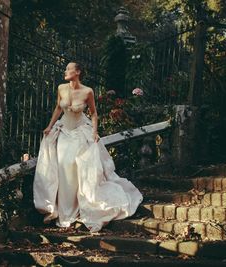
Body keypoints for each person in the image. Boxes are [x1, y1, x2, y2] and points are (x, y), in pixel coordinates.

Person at [33, 61, 143, 232]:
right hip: (64, 132)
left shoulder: (87, 91)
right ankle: (65, 213)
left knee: (76, 167)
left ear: (77, 72)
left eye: (69, 69)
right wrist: (49, 126)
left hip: (79, 132)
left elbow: (93, 113)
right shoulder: (61, 88)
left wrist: (94, 131)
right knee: (63, 166)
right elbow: (57, 109)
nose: (65, 71)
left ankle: (80, 207)